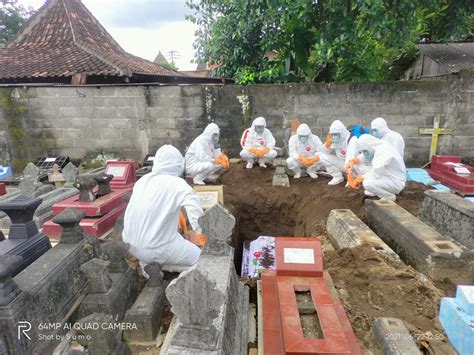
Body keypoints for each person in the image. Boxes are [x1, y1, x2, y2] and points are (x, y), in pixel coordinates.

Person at [123, 145, 204, 272]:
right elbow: (196, 214)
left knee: (168, 248)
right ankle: (178, 282)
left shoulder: (143, 181)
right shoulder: (178, 184)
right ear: (178, 164)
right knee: (201, 259)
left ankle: (149, 269)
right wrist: (202, 235)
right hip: (159, 248)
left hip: (132, 247)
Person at [346, 134, 406, 201]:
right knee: (360, 167)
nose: (364, 154)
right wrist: (355, 160)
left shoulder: (383, 151)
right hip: (388, 176)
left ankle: (389, 196)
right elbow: (367, 153)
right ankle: (376, 191)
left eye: (364, 151)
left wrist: (360, 179)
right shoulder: (379, 146)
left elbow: (375, 173)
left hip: (395, 181)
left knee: (367, 183)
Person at [320, 120, 357, 185]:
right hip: (343, 163)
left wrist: (349, 178)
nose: (334, 137)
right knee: (321, 157)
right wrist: (327, 145)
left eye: (336, 134)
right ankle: (338, 177)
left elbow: (350, 159)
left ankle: (351, 178)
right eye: (333, 135)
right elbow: (324, 153)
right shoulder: (334, 139)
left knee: (351, 166)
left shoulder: (351, 139)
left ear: (342, 133)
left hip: (354, 166)